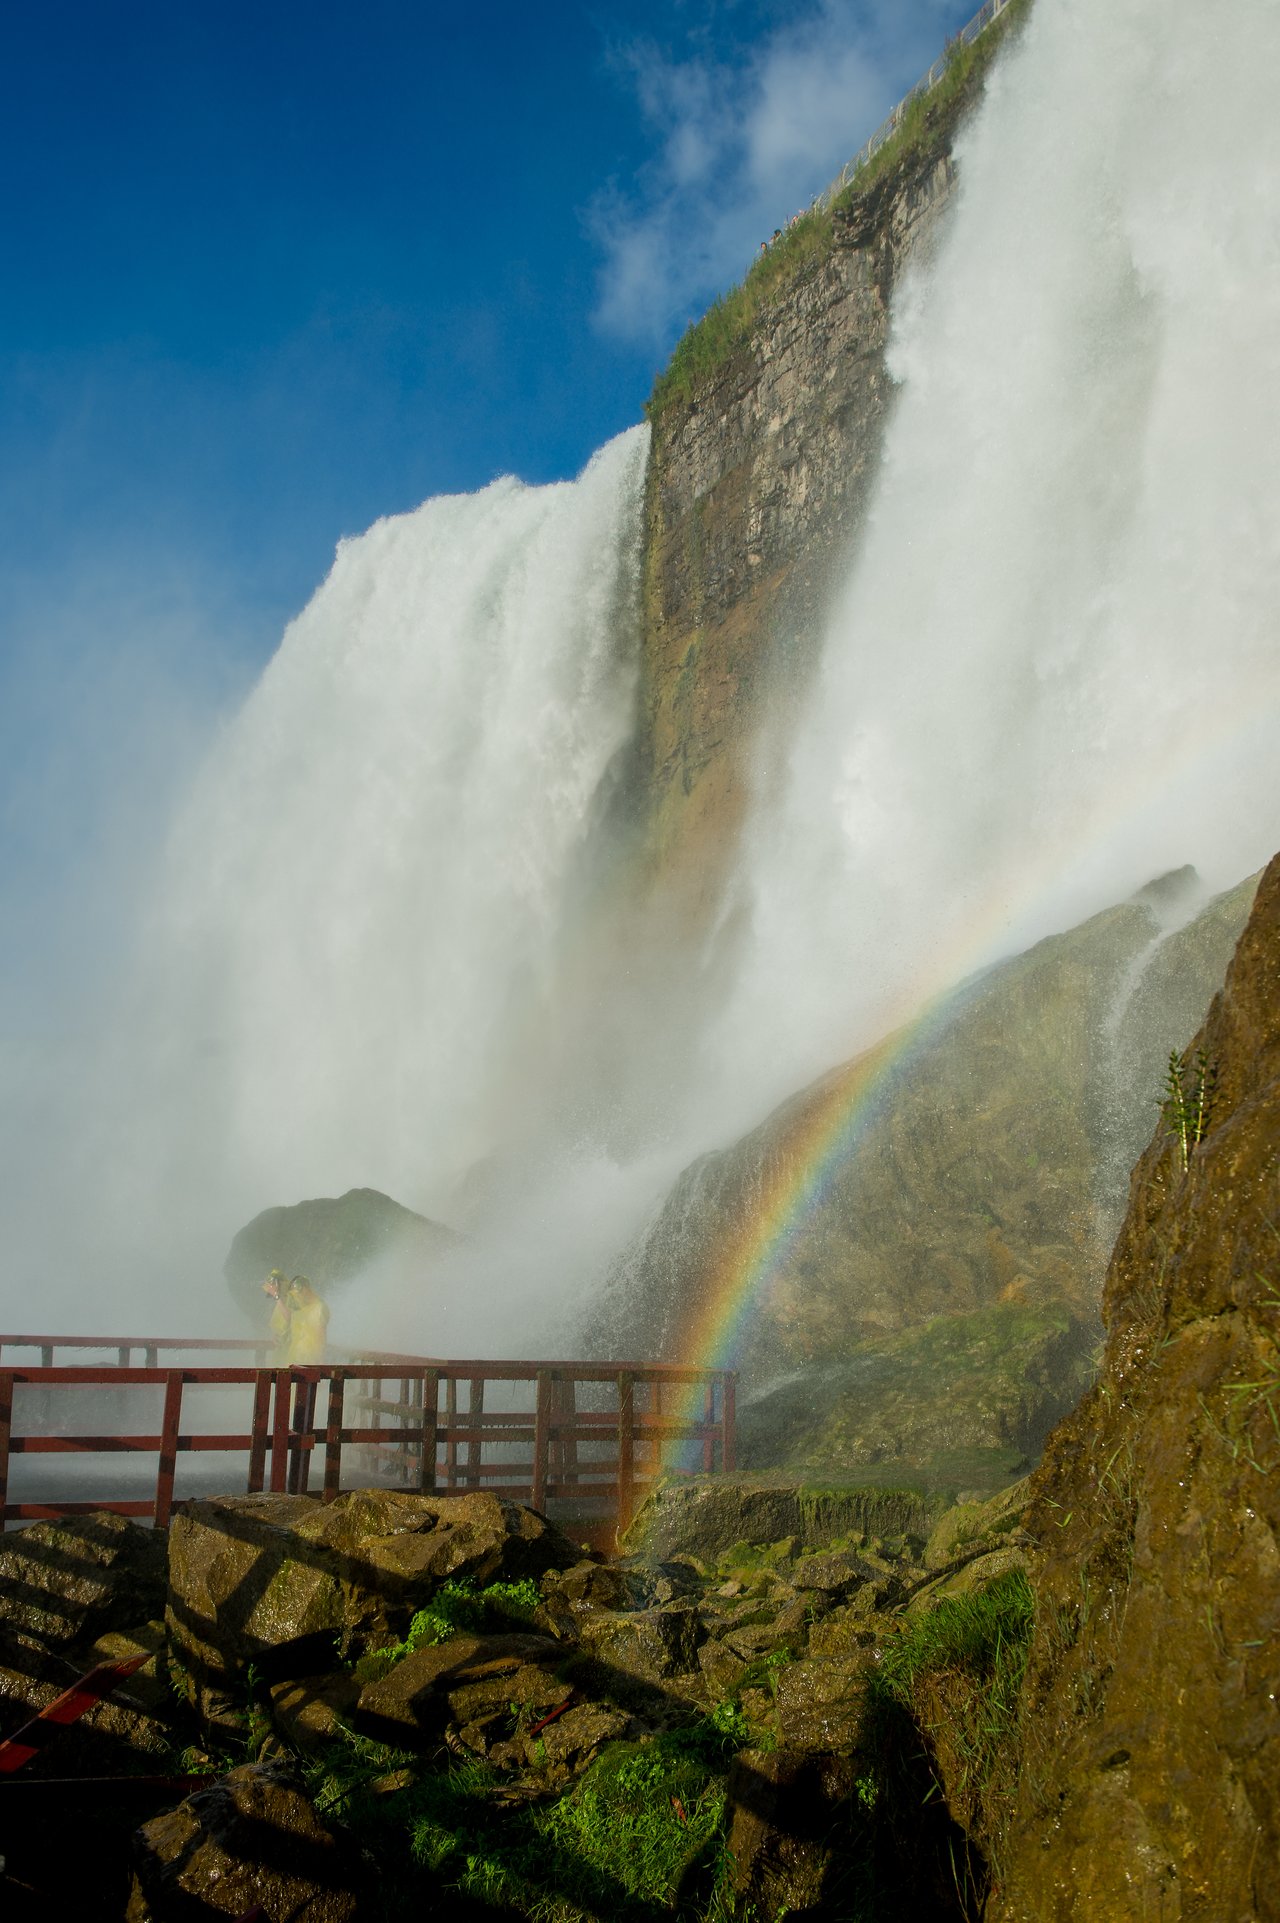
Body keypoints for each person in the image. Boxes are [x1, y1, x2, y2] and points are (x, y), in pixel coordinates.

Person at [283, 1275, 329, 1365]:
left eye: (296, 1294)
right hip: (295, 1358)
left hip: (309, 1360)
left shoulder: (319, 1307)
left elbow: (321, 1336)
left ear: (305, 1289)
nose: (296, 1298)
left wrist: (320, 1359)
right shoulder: (302, 1308)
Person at [262, 1269, 291, 1362]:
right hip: (280, 1347)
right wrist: (275, 1335)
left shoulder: (291, 1298)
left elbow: (290, 1318)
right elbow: (280, 1323)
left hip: (291, 1347)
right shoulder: (279, 1301)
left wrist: (276, 1296)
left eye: (273, 1284)